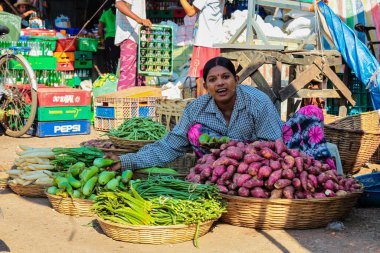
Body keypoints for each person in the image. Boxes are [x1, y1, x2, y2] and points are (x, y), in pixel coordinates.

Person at [105, 56, 284, 172]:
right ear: (205, 87)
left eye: (226, 77)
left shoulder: (258, 102)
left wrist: (244, 156)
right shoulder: (196, 109)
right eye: (213, 80)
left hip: (259, 164)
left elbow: (274, 145)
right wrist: (128, 161)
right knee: (195, 131)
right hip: (222, 168)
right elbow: (170, 144)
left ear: (236, 80)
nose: (220, 83)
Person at [179, 0, 225, 97]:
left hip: (204, 41)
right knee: (213, 78)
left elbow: (190, 12)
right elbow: (224, 11)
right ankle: (210, 107)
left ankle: (202, 109)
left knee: (201, 79)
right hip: (215, 41)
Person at [115, 0, 152, 90]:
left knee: (140, 75)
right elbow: (119, 4)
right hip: (130, 36)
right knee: (128, 75)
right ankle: (123, 102)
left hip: (138, 36)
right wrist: (139, 20)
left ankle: (137, 102)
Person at [98, 3, 119, 74]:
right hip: (119, 39)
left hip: (110, 39)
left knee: (110, 60)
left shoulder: (105, 14)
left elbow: (100, 28)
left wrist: (102, 39)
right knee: (118, 60)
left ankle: (111, 75)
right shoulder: (121, 13)